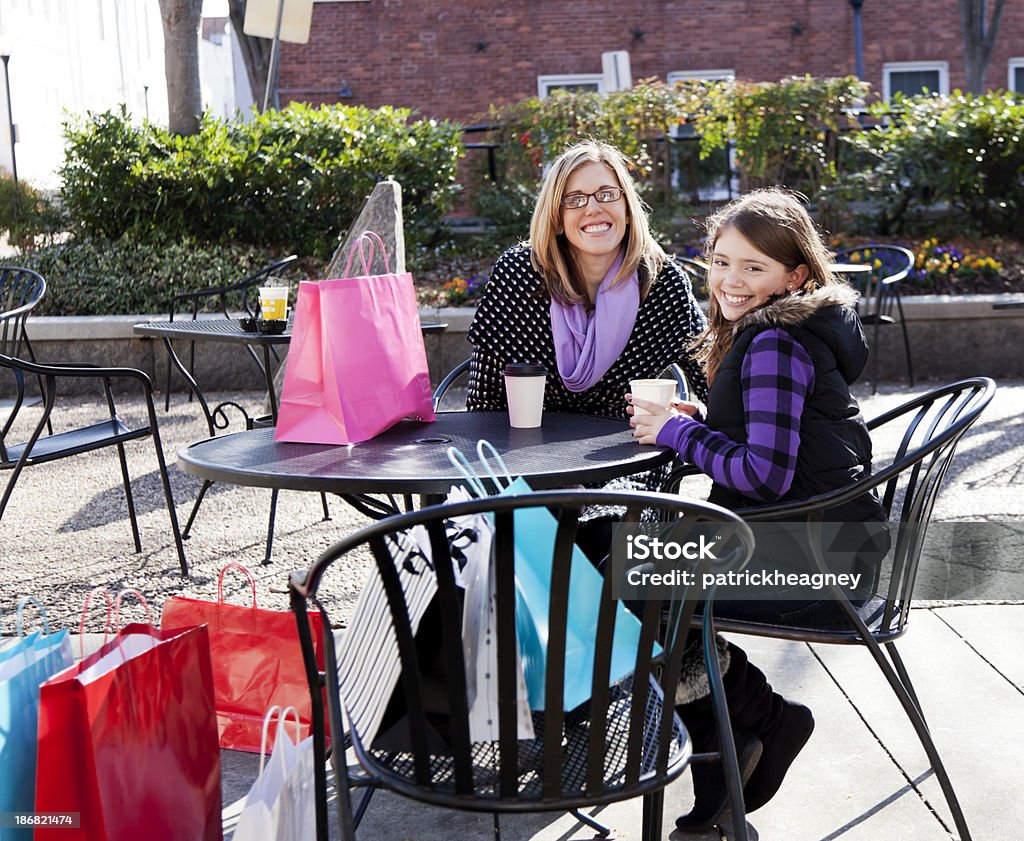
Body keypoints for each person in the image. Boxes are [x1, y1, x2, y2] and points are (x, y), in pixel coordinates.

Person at [466, 140, 767, 831]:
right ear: (556, 212)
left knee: (621, 565)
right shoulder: (522, 275)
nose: (594, 208)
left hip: (627, 482)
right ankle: (737, 727)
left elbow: (707, 383)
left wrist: (693, 417)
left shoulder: (661, 283)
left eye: (607, 194)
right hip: (528, 478)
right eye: (577, 197)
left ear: (627, 206)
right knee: (553, 560)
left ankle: (703, 737)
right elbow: (488, 399)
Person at [630, 187, 890, 830]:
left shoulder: (775, 341)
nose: (730, 280)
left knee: (626, 582)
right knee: (629, 569)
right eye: (720, 261)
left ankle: (762, 729)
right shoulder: (793, 330)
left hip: (808, 563)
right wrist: (702, 422)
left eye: (754, 267)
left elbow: (765, 476)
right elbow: (775, 451)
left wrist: (676, 433)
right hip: (829, 546)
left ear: (795, 275)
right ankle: (742, 750)